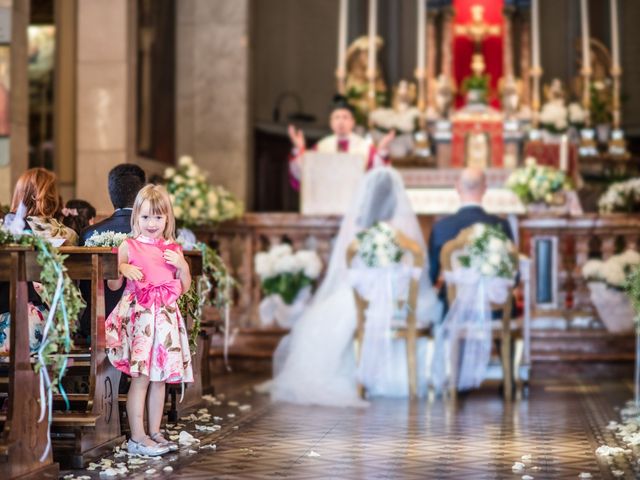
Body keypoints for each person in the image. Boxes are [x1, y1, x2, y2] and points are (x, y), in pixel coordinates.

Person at [265, 167, 441, 406]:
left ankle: (359, 378)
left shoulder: (356, 227)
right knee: (431, 309)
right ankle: (403, 380)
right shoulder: (405, 226)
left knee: (334, 316)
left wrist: (371, 286)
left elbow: (345, 269)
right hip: (401, 303)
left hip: (362, 300)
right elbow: (415, 272)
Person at [105, 184, 193, 456]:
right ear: (136, 219)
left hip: (165, 318)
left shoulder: (173, 248)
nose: (152, 223)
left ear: (168, 218)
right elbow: (111, 285)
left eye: (158, 217)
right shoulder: (127, 246)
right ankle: (138, 436)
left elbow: (185, 287)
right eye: (145, 217)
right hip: (141, 318)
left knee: (160, 379)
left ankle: (155, 431)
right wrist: (121, 268)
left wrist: (182, 266)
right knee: (141, 377)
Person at [0, 168, 78, 356]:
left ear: (21, 195)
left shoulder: (9, 231)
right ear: (53, 197)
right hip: (52, 325)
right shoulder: (69, 235)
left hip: (10, 319)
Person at [428, 167, 514, 310]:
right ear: (485, 189)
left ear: (457, 187)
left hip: (452, 306)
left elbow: (431, 275)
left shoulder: (442, 227)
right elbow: (512, 277)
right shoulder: (501, 225)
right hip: (495, 307)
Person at [79, 164, 146, 338]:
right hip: (144, 325)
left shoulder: (89, 234)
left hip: (96, 324)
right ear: (142, 196)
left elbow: (84, 289)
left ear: (111, 195)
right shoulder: (155, 234)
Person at [287, 96, 396, 190]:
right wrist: (299, 149)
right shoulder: (321, 147)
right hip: (328, 203)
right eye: (337, 117)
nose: (341, 121)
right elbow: (305, 176)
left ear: (353, 122)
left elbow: (379, 176)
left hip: (357, 204)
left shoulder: (365, 147)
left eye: (345, 117)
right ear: (331, 122)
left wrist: (382, 149)